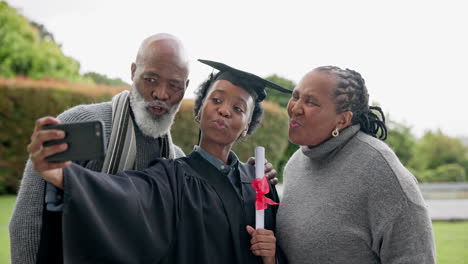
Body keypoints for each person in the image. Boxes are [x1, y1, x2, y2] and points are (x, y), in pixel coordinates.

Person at [9, 34, 277, 264]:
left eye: (173, 85)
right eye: (150, 79)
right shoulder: (88, 124)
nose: (160, 93)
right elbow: (129, 195)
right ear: (133, 71)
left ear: (184, 90)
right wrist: (63, 176)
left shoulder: (174, 155)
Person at [276, 66, 435, 264]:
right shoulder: (295, 165)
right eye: (296, 96)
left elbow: (416, 257)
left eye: (311, 102)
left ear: (342, 120)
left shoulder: (381, 170)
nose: (295, 108)